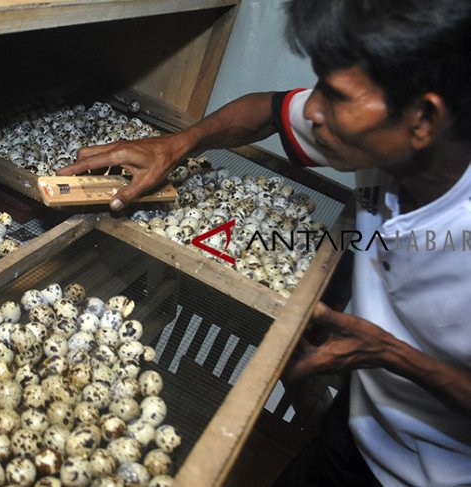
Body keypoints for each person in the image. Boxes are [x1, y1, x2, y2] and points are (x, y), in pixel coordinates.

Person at [57, 0, 471, 485]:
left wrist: (394, 355)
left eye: (334, 96)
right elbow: (266, 111)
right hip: (359, 430)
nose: (312, 108)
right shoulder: (390, 135)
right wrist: (178, 145)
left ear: (424, 118)